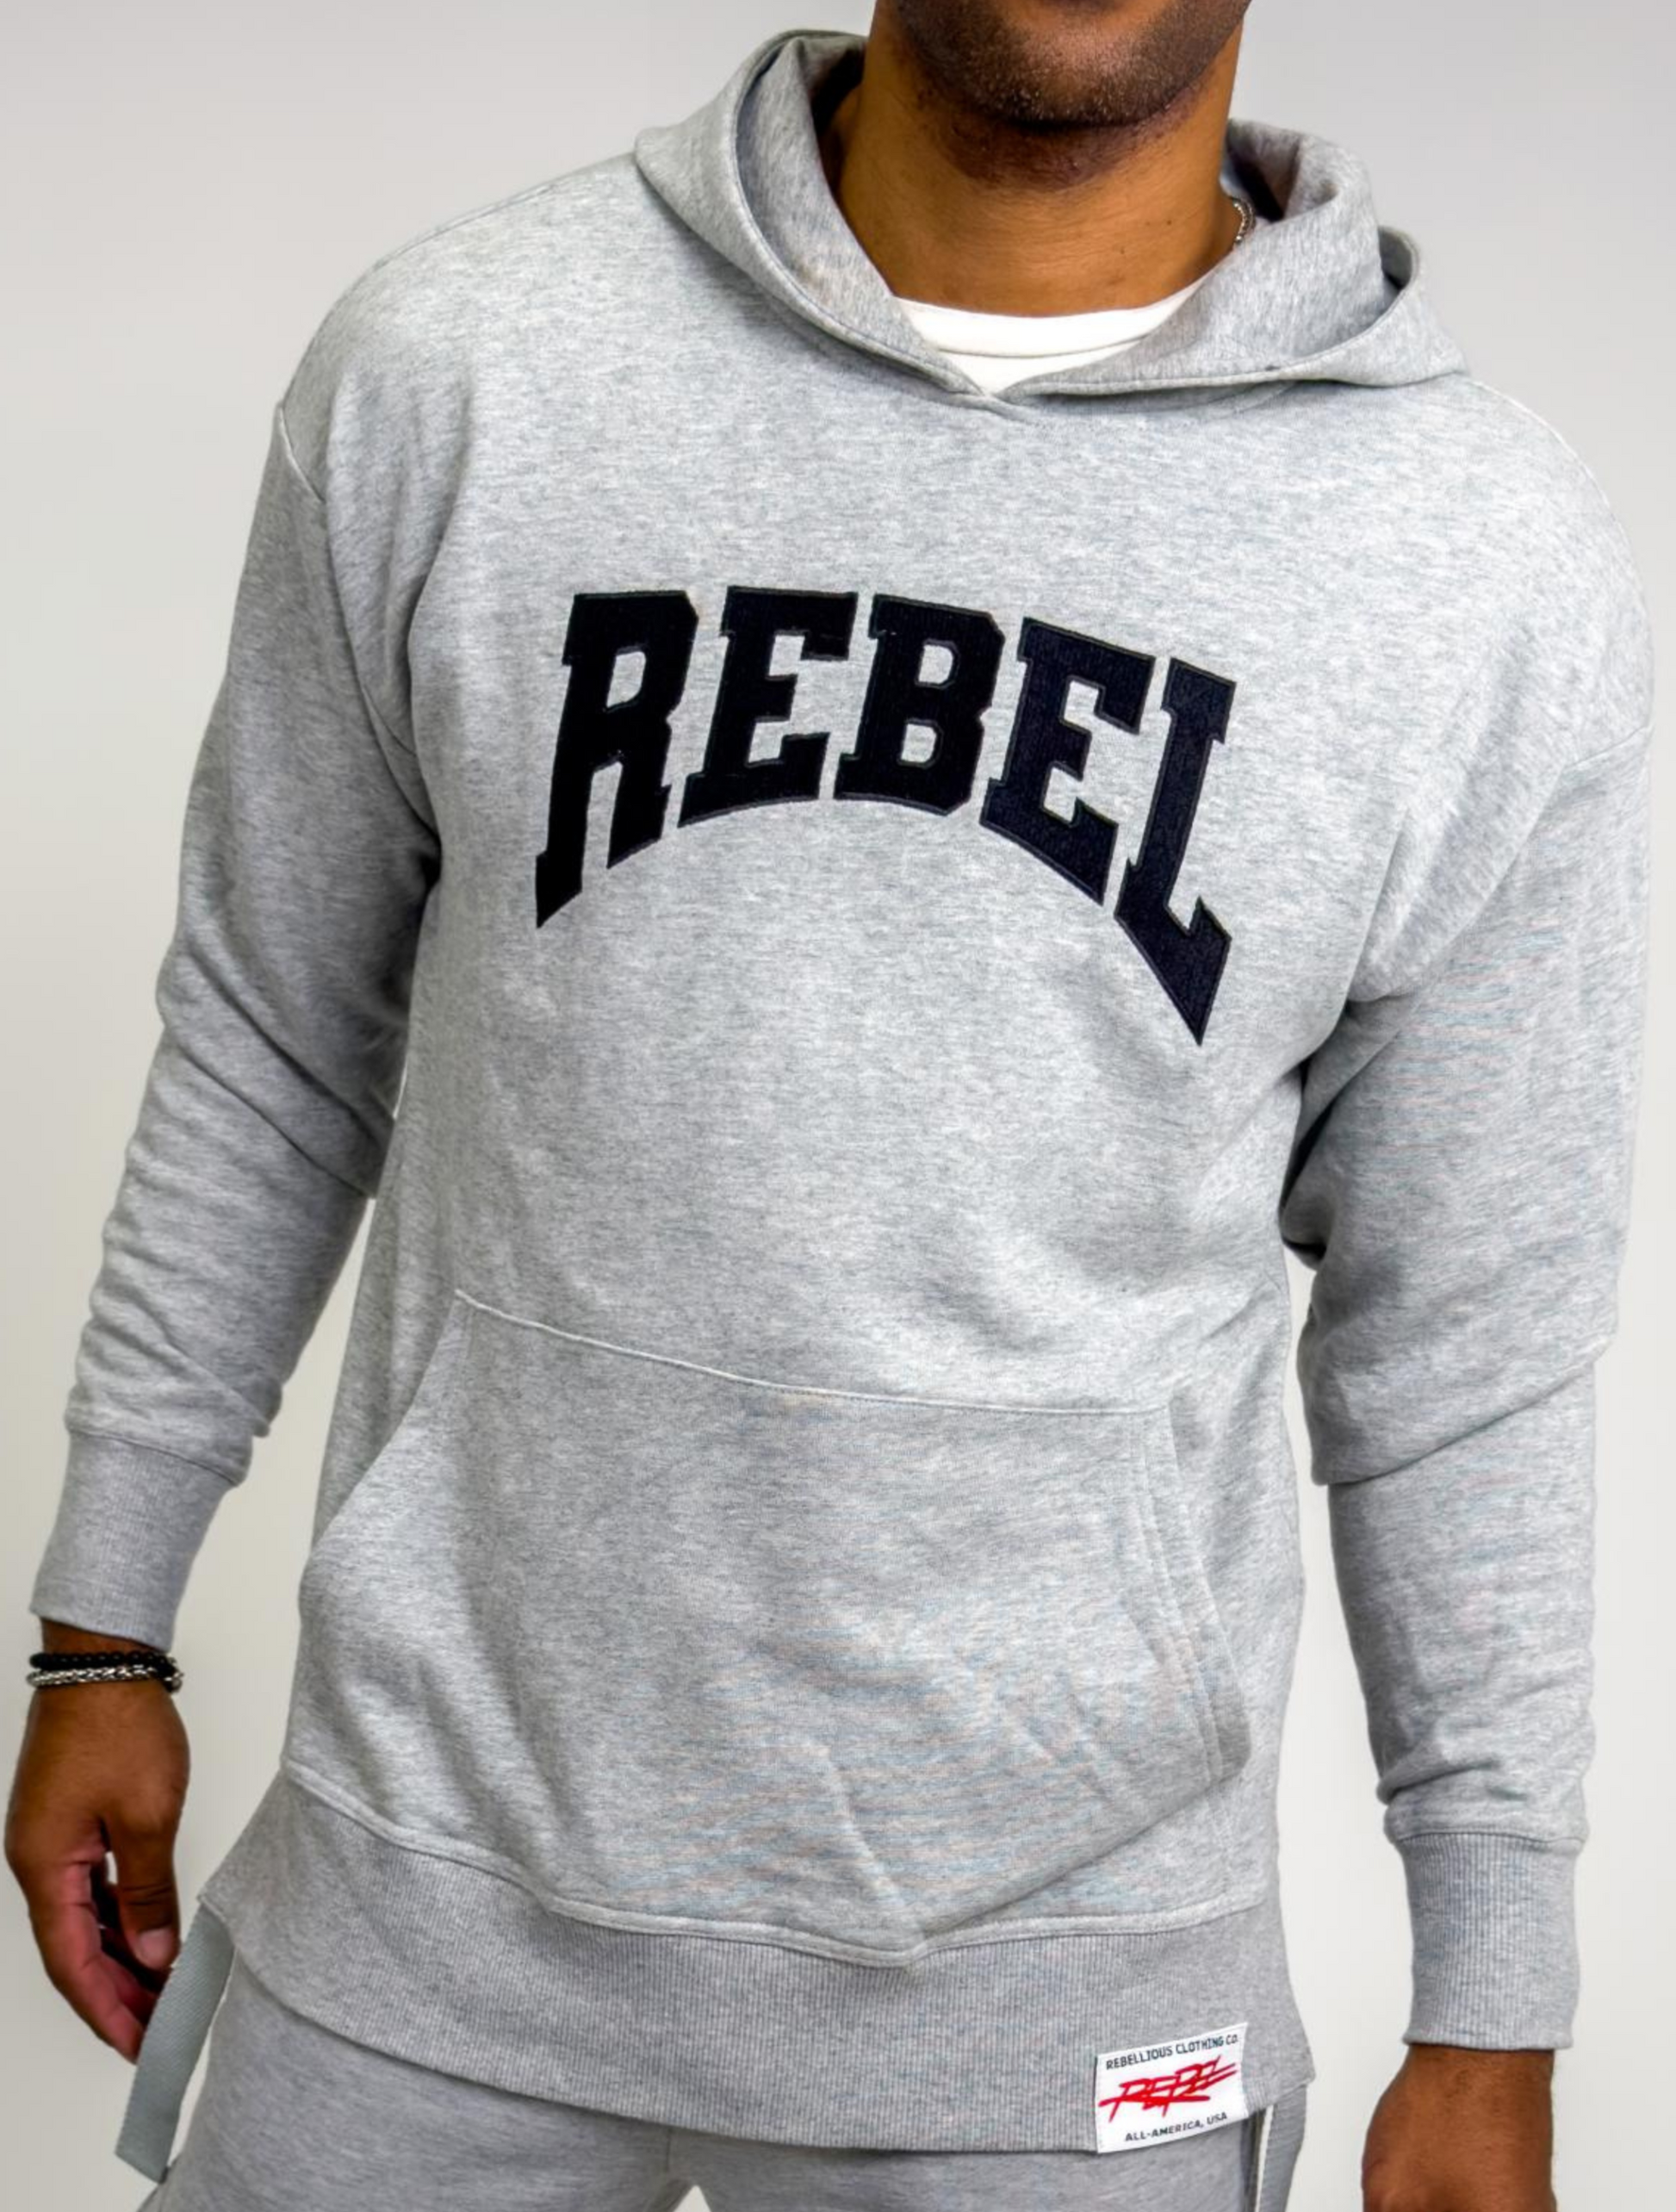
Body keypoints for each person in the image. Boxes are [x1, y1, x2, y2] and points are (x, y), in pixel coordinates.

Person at [7, 7, 1654, 2209]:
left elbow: (1467, 1332)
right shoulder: (464, 365)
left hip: (1058, 2008)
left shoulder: (1480, 556)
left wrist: (1491, 1991)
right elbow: (270, 1034)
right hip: (423, 1915)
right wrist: (104, 1623)